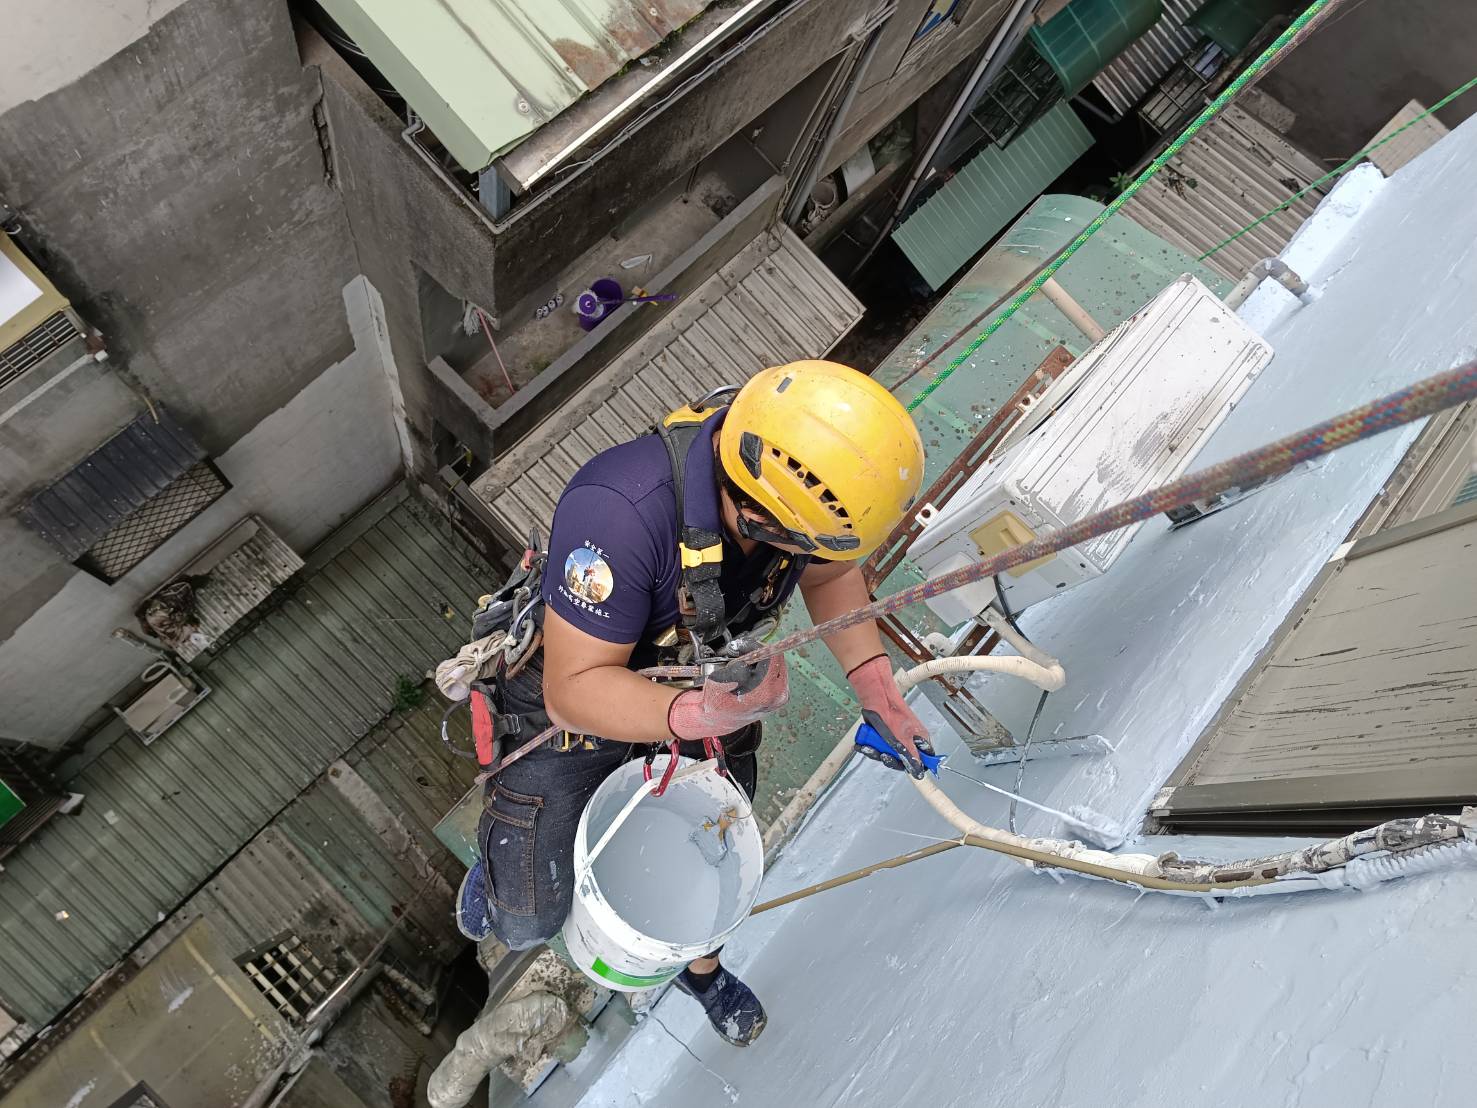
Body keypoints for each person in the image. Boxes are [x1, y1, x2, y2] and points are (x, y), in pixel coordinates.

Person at [455, 359, 934, 1047]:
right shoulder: (619, 512)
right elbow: (573, 689)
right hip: (575, 691)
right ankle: (503, 872)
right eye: (789, 540)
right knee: (525, 920)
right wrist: (694, 717)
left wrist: (875, 686)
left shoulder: (796, 499)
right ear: (755, 511)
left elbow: (831, 572)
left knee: (708, 848)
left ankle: (700, 972)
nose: (799, 553)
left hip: (699, 673)